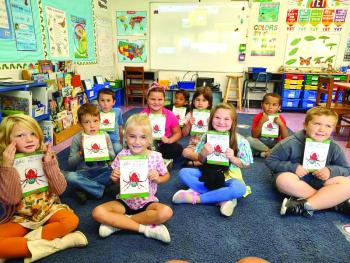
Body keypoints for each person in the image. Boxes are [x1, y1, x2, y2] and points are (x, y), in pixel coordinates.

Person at [0, 114, 87, 261]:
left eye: (33, 133)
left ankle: (25, 244)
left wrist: (50, 164)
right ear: (7, 140)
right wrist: (7, 167)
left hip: (49, 209)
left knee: (71, 220)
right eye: (20, 135)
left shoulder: (45, 156)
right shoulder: (5, 165)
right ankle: (62, 243)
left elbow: (60, 189)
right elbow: (11, 199)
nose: (29, 139)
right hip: (21, 217)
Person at [92, 114, 173, 243]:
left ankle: (119, 223)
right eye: (132, 136)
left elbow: (166, 175)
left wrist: (158, 178)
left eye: (143, 137)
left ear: (150, 140)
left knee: (166, 212)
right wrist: (114, 178)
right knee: (97, 212)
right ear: (125, 138)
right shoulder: (122, 155)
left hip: (147, 202)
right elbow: (116, 180)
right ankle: (144, 228)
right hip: (125, 201)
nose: (137, 142)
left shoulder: (156, 156)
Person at [266, 107, 350, 217]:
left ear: (333, 129)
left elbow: (346, 169)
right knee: (283, 180)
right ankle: (333, 202)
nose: (321, 129)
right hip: (297, 181)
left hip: (321, 182)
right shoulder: (290, 143)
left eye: (328, 126)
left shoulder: (334, 147)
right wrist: (294, 168)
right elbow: (270, 160)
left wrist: (330, 171)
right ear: (305, 125)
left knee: (347, 184)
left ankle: (303, 204)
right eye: (317, 124)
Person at [172, 103, 253, 217]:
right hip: (207, 173)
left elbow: (247, 164)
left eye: (226, 119)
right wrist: (203, 154)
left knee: (240, 189)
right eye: (217, 117)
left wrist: (233, 158)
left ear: (233, 122)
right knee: (184, 173)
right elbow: (201, 160)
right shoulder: (206, 136)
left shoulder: (240, 141)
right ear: (211, 119)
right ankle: (222, 198)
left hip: (229, 176)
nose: (221, 122)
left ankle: (196, 198)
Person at [65, 103, 116, 204]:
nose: (92, 125)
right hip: (84, 173)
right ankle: (101, 190)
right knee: (70, 177)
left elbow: (113, 157)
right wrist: (81, 153)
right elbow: (70, 164)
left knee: (117, 171)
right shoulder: (77, 138)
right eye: (87, 122)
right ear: (80, 124)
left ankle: (86, 190)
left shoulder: (104, 135)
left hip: (103, 171)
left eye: (95, 121)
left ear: (100, 121)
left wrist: (105, 149)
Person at [142, 82, 183, 167]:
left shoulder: (170, 114)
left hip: (163, 143)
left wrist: (169, 140)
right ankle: (158, 160)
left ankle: (155, 159)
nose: (156, 102)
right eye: (152, 99)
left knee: (177, 149)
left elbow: (178, 133)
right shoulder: (143, 115)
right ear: (147, 99)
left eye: (160, 99)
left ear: (164, 100)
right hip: (147, 143)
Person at [246, 93, 289, 158]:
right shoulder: (258, 117)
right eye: (267, 104)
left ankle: (263, 153)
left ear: (279, 107)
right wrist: (261, 121)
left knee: (287, 144)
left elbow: (285, 138)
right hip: (260, 142)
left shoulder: (280, 119)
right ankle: (270, 152)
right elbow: (254, 136)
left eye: (274, 105)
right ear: (262, 105)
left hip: (275, 143)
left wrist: (281, 125)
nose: (270, 107)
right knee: (248, 140)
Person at [182, 87, 213, 166]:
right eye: (197, 99)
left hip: (207, 145)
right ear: (193, 101)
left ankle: (198, 162)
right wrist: (189, 124)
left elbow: (217, 134)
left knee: (215, 153)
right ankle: (203, 162)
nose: (200, 103)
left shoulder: (212, 115)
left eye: (204, 100)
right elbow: (184, 134)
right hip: (194, 145)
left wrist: (211, 125)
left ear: (209, 103)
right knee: (185, 152)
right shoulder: (190, 114)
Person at [97, 88, 124, 155]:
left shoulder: (117, 111)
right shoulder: (96, 113)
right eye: (102, 100)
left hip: (114, 141)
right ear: (98, 101)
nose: (105, 104)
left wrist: (121, 141)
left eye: (108, 100)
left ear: (113, 102)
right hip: (101, 141)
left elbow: (120, 126)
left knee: (118, 148)